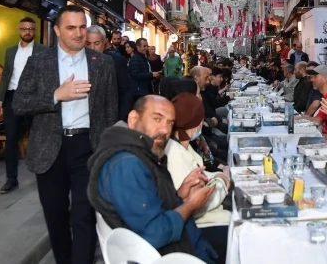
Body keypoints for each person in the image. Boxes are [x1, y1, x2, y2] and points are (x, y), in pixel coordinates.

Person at [13, 5, 118, 264]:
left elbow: (109, 111)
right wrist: (55, 96)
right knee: (55, 214)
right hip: (50, 148)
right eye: (71, 27)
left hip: (87, 146)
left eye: (82, 27)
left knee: (84, 214)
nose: (79, 33)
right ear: (57, 30)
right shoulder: (39, 62)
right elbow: (19, 104)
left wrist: (107, 152)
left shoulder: (102, 63)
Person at [87, 95, 218, 263]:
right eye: (157, 119)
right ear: (134, 119)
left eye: (170, 123)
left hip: (185, 248)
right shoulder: (127, 165)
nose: (165, 130)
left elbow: (147, 207)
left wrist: (180, 195)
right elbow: (154, 233)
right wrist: (190, 205)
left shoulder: (140, 153)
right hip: (174, 256)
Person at [165, 93, 231, 262]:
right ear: (194, 124)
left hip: (205, 216)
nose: (203, 124)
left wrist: (218, 176)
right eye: (200, 120)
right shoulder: (174, 153)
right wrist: (222, 182)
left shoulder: (183, 144)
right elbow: (198, 203)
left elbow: (201, 172)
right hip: (198, 226)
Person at [0, 17, 46, 194]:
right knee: (11, 139)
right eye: (24, 29)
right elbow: (5, 76)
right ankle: (11, 178)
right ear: (19, 30)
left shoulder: (43, 50)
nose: (27, 32)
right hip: (12, 97)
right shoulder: (10, 52)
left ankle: (42, 175)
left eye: (31, 29)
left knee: (38, 138)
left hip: (33, 98)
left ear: (35, 31)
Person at [87, 25, 131, 122]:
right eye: (88, 43)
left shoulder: (116, 61)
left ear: (104, 42)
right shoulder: (77, 62)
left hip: (108, 121)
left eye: (96, 43)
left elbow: (126, 93)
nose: (92, 48)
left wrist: (120, 120)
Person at [299, 65, 327, 136]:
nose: (312, 80)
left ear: (324, 78)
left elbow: (318, 121)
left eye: (315, 76)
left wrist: (299, 119)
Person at [128, 38, 162, 107]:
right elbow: (135, 74)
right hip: (139, 91)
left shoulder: (143, 57)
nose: (146, 48)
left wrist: (153, 75)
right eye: (144, 46)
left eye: (147, 46)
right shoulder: (136, 59)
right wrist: (151, 74)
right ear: (138, 47)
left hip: (144, 89)